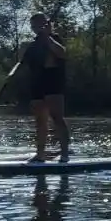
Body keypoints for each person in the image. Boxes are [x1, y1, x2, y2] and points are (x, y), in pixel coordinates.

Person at [22, 12, 70, 162]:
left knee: (57, 118)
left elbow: (62, 53)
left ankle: (64, 153)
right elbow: (24, 63)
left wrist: (47, 36)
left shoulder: (54, 39)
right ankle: (40, 153)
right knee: (40, 120)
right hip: (37, 84)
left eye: (39, 24)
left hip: (53, 82)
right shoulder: (33, 44)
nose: (36, 28)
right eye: (34, 25)